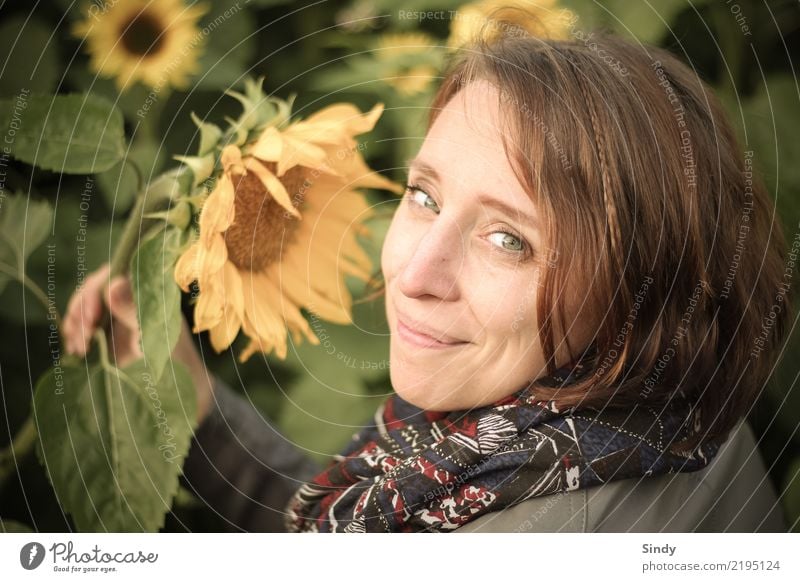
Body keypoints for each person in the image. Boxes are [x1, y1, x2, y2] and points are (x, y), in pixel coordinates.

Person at [62, 28, 790, 532]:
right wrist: (197, 413)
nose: (413, 274)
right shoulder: (672, 412)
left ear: (641, 296)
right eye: (424, 196)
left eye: (510, 240)